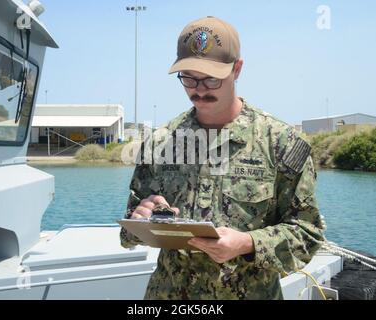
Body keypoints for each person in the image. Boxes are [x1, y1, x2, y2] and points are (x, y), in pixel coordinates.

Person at [120, 16, 325, 300]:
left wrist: (247, 242)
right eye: (189, 77)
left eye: (211, 78)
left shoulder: (281, 143)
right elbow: (128, 230)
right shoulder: (160, 142)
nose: (199, 89)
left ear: (237, 69)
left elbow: (308, 234)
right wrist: (142, 217)